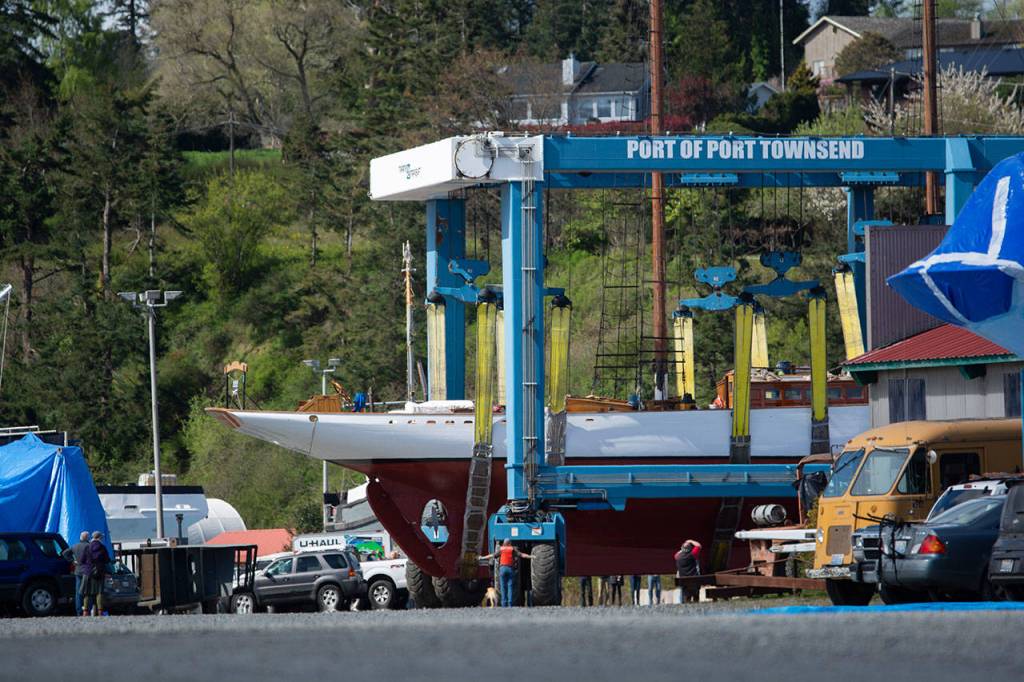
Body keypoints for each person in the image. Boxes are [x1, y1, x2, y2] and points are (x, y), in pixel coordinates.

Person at [481, 540, 531, 608]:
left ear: (504, 544)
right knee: (510, 586)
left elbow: (492, 555)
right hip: (510, 569)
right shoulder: (512, 549)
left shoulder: (501, 549)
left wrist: (482, 557)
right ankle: (510, 603)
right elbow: (522, 555)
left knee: (503, 587)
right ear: (510, 543)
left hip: (502, 569)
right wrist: (531, 556)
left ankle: (504, 604)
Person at [79, 531, 111, 616]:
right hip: (99, 572)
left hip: (88, 572)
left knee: (87, 593)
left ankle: (85, 611)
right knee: (99, 592)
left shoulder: (87, 547)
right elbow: (107, 560)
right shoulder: (103, 547)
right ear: (100, 538)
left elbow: (82, 560)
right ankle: (100, 611)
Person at [63, 532, 90, 617]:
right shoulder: (88, 546)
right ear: (87, 538)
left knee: (78, 592)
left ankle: (78, 611)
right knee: (88, 591)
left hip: (78, 571)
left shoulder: (75, 546)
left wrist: (72, 561)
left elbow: (64, 553)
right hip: (87, 571)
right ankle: (87, 610)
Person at [674, 539, 702, 604]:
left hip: (684, 583)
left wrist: (683, 548)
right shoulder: (692, 555)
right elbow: (699, 545)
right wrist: (690, 541)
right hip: (694, 581)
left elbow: (679, 552)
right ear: (690, 549)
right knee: (696, 597)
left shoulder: (677, 556)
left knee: (687, 598)